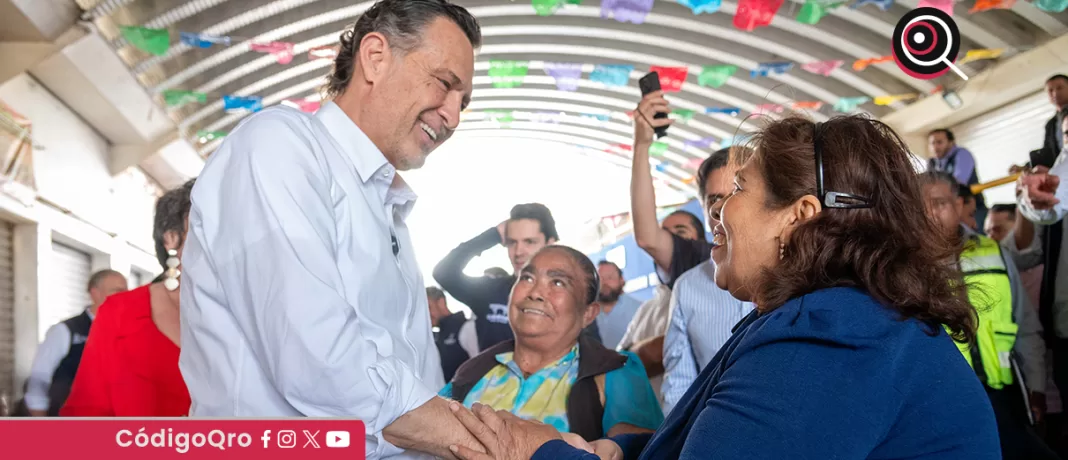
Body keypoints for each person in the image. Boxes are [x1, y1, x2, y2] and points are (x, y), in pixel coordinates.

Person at [446, 114, 1000, 460]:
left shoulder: (826, 340)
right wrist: (629, 448)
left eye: (737, 189)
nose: (716, 209)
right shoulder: (820, 319)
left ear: (797, 216)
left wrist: (538, 451)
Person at [176, 1, 488, 458]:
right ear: (376, 57)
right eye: (445, 84)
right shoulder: (279, 147)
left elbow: (417, 385)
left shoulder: (389, 207)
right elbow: (319, 362)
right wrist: (496, 442)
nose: (454, 116)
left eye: (464, 101)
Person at [440, 246, 662, 441]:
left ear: (588, 313)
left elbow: (643, 448)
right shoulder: (472, 371)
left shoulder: (616, 371)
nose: (536, 292)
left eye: (558, 282)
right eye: (527, 278)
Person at [920, 171, 1056, 460]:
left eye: (939, 203)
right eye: (920, 206)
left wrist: (1036, 387)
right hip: (945, 400)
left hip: (1002, 393)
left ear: (959, 205)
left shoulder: (993, 251)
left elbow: (1025, 327)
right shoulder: (905, 266)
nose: (930, 213)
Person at [60, 180, 194, 417]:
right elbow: (87, 414)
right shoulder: (120, 313)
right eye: (205, 225)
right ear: (171, 238)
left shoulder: (250, 311)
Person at [661, 148, 754, 414]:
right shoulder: (688, 288)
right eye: (715, 199)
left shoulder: (804, 274)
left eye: (737, 192)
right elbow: (679, 390)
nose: (724, 210)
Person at [433, 204, 560, 350]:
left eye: (529, 242)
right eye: (512, 242)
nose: (518, 251)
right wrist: (493, 235)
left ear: (549, 243)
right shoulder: (490, 291)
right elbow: (443, 273)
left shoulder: (567, 296)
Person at [23, 269, 128, 416]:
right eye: (116, 291)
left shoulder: (129, 331)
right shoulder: (65, 331)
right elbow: (39, 378)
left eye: (126, 291)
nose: (124, 296)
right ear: (95, 293)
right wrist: (40, 423)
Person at [928, 128, 987, 229]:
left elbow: (957, 182)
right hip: (951, 212)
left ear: (951, 143)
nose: (935, 147)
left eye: (939, 142)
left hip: (973, 210)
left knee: (979, 240)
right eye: (932, 143)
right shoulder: (932, 163)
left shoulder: (962, 154)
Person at [428, 286, 478, 382]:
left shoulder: (467, 327)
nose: (426, 314)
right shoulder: (435, 336)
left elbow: (481, 365)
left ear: (441, 302)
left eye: (428, 307)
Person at [592, 261, 640, 349]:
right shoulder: (586, 313)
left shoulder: (639, 310)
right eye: (600, 279)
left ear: (621, 280)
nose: (605, 283)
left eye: (610, 278)